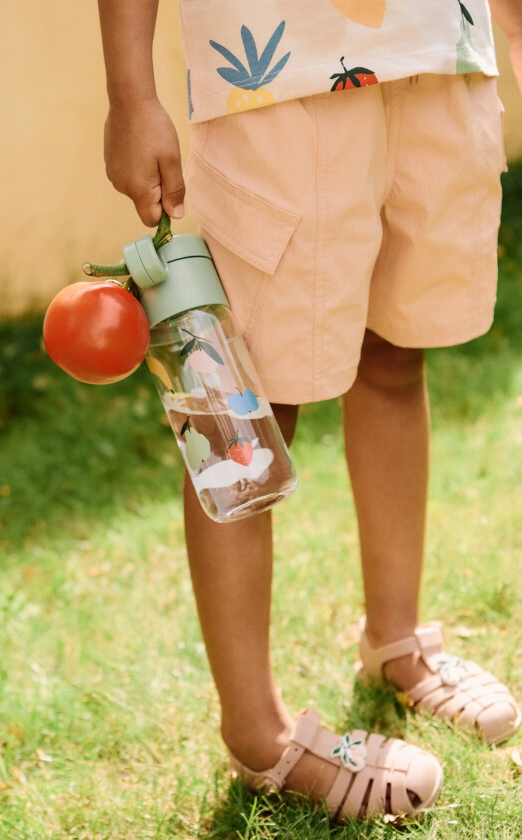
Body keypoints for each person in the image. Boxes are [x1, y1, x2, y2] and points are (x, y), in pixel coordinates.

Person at [97, 0, 522, 821]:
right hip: (273, 77)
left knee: (397, 353)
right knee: (242, 413)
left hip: (440, 49)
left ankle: (394, 642)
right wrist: (130, 92)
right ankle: (259, 732)